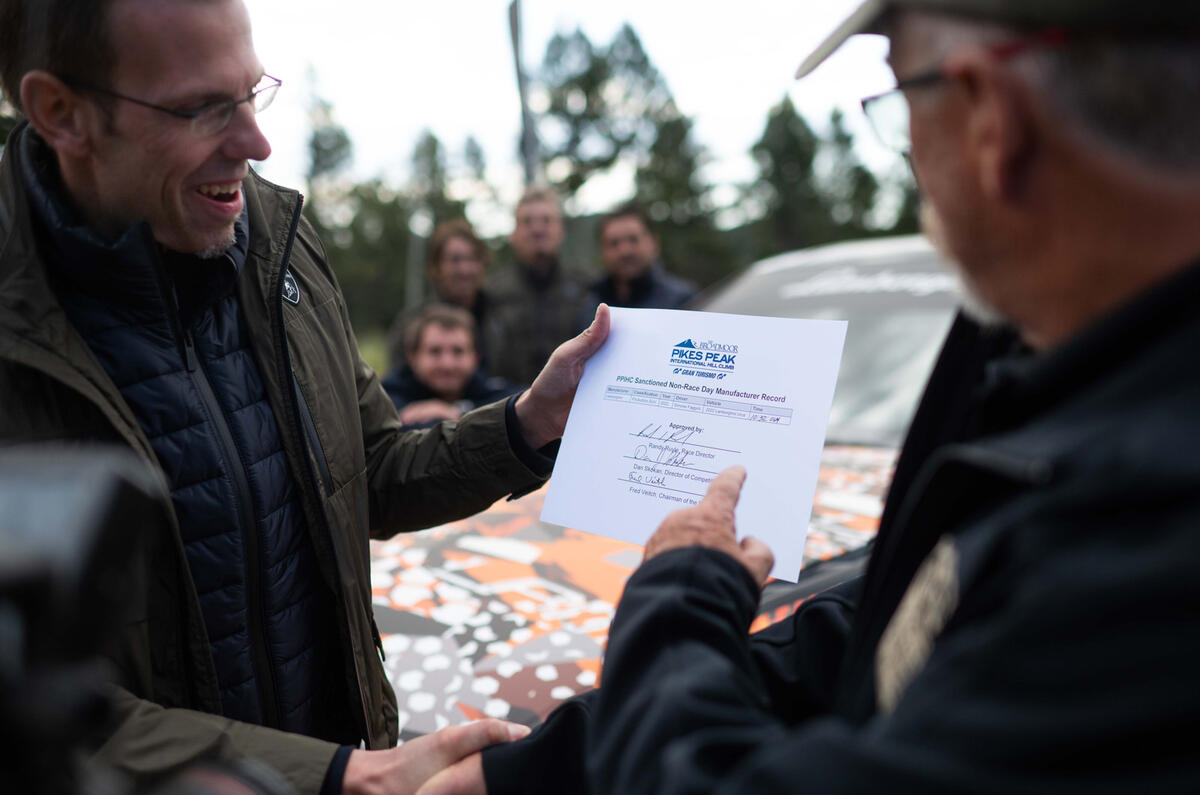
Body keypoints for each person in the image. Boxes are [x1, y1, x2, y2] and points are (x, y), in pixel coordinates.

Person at [421, 2, 1200, 793]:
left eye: (899, 103)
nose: (908, 161)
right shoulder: (1077, 389)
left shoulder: (1138, 524)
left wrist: (680, 593)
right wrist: (535, 767)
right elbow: (899, 617)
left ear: (989, 119)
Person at [0, 1, 610, 794]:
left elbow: (373, 472)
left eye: (252, 93)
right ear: (62, 114)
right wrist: (331, 775)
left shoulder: (278, 238)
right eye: (203, 108)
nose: (257, 142)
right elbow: (31, 698)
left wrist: (529, 422)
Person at [485, 187, 592, 386]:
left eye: (546, 220)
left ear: (561, 231)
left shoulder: (586, 289)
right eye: (527, 222)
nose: (537, 229)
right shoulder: (490, 292)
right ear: (513, 234)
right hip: (508, 405)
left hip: (572, 402)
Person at [385, 219, 505, 373]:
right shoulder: (410, 324)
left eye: (472, 259)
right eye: (455, 260)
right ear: (436, 268)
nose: (465, 269)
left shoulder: (502, 317)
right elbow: (395, 385)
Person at [381, 305, 520, 429]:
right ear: (413, 358)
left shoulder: (494, 390)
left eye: (458, 351)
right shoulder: (385, 400)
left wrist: (456, 412)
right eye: (435, 351)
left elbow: (525, 409)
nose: (447, 364)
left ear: (476, 357)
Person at [575, 204, 697, 330]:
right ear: (602, 251)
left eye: (633, 239)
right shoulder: (587, 307)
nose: (625, 251)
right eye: (614, 243)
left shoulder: (683, 302)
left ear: (654, 243)